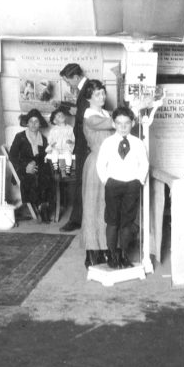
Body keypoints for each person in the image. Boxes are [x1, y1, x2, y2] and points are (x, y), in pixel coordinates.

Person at [96, 106, 149, 269]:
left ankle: (124, 254)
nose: (123, 127)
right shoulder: (108, 143)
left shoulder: (138, 143)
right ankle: (112, 255)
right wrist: (107, 181)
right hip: (113, 185)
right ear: (114, 124)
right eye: (119, 123)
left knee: (127, 222)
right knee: (112, 221)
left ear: (132, 123)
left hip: (131, 186)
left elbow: (144, 164)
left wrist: (138, 181)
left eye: (126, 123)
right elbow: (100, 164)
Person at [79, 80, 112, 267]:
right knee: (93, 207)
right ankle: (91, 252)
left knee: (105, 207)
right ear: (88, 97)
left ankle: (103, 248)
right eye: (98, 94)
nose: (102, 97)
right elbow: (112, 123)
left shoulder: (104, 113)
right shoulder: (90, 116)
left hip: (109, 164)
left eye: (103, 93)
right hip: (96, 164)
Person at [8, 109, 54, 223]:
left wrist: (35, 163)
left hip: (37, 167)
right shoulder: (20, 137)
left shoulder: (43, 139)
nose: (33, 124)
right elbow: (13, 157)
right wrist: (26, 167)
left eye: (36, 121)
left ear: (40, 124)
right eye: (31, 121)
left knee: (45, 172)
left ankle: (43, 205)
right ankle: (40, 205)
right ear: (27, 123)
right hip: (22, 169)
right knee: (34, 176)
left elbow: (43, 156)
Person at [59, 63, 88, 232]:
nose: (69, 85)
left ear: (76, 77)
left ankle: (77, 219)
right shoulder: (84, 89)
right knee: (80, 181)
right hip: (82, 141)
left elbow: (84, 115)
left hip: (86, 142)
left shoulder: (89, 88)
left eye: (69, 81)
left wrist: (67, 108)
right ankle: (78, 218)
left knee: (81, 182)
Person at [45, 106, 75, 174]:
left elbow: (73, 137)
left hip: (66, 147)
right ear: (55, 121)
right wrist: (52, 143)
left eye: (62, 114)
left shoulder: (70, 128)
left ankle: (68, 168)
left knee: (68, 155)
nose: (61, 116)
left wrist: (71, 141)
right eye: (58, 116)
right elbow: (50, 138)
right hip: (57, 147)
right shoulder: (53, 130)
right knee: (54, 153)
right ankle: (55, 167)